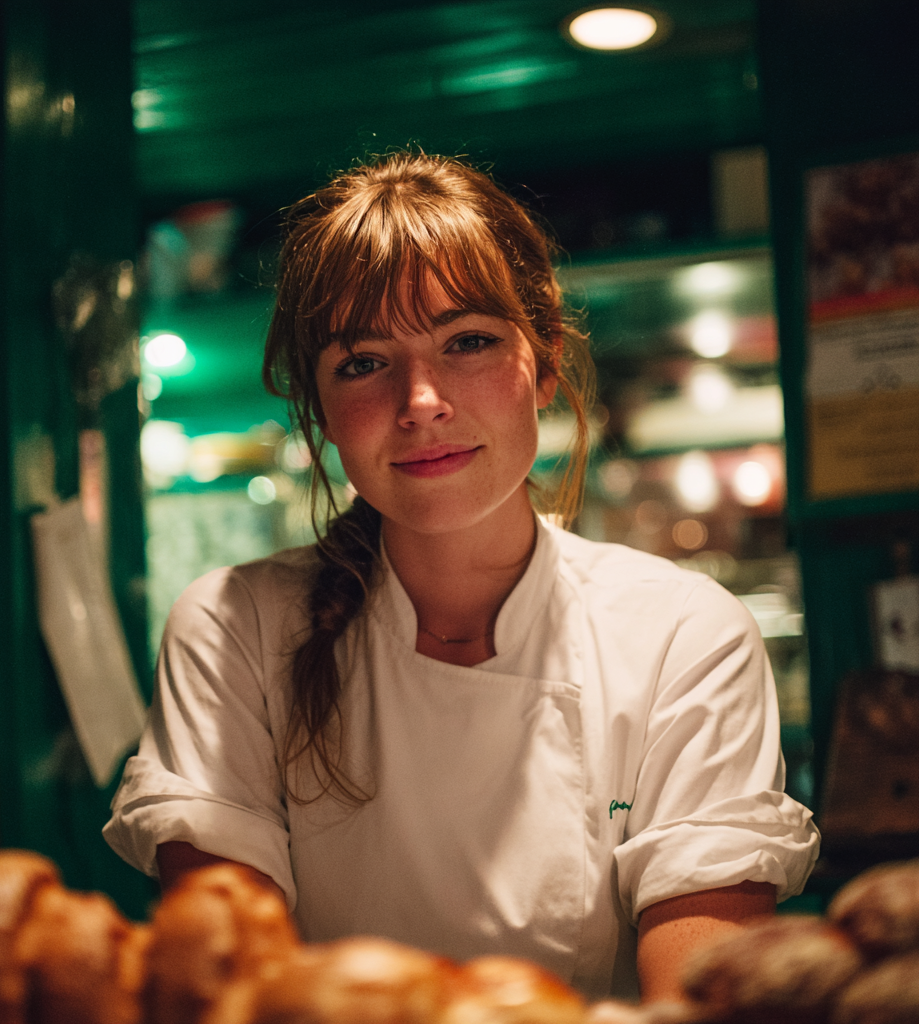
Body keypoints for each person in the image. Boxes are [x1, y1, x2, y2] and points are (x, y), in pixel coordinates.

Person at [104, 152, 819, 1003]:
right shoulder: (235, 630)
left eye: (468, 341)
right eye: (363, 362)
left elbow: (694, 1005)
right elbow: (231, 992)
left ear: (544, 360)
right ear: (318, 406)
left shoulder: (683, 635)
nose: (422, 400)